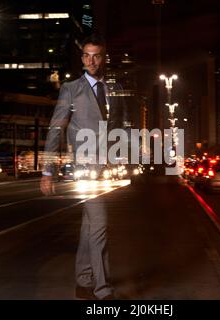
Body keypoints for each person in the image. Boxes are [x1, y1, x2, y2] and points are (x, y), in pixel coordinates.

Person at [40, 33, 126, 300]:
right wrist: (47, 170)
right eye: (86, 55)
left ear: (103, 58)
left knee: (89, 227)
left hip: (107, 168)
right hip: (85, 168)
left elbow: (118, 128)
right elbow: (56, 128)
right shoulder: (71, 89)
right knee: (100, 225)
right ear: (82, 58)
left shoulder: (114, 90)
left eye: (96, 55)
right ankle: (102, 289)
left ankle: (83, 280)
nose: (91, 60)